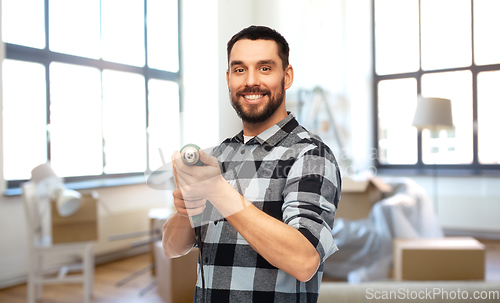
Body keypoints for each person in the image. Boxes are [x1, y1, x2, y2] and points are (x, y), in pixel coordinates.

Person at [162, 25, 341, 303]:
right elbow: (171, 248)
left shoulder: (310, 155)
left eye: (265, 68)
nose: (251, 81)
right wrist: (187, 209)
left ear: (287, 76)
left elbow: (304, 260)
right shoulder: (219, 155)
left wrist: (217, 190)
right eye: (240, 69)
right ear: (229, 78)